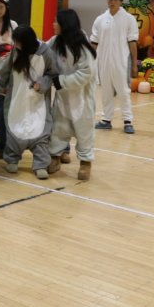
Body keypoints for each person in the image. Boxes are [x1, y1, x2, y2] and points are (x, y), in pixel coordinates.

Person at [0, 25, 55, 180]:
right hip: (17, 99)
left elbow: (52, 74)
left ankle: (41, 164)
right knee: (14, 129)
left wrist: (41, 84)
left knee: (40, 131)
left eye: (18, 42)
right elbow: (3, 74)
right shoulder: (15, 52)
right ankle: (12, 158)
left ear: (27, 42)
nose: (15, 45)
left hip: (38, 102)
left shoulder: (46, 53)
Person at [47, 9, 97, 180]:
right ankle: (55, 157)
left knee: (84, 132)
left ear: (65, 24)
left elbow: (86, 73)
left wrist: (62, 81)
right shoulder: (55, 42)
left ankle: (85, 162)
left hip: (81, 98)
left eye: (56, 22)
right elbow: (42, 50)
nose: (53, 24)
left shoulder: (81, 47)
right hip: (63, 98)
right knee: (58, 128)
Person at [90, 0, 139, 134]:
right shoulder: (100, 19)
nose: (112, 2)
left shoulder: (129, 19)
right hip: (103, 61)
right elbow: (94, 42)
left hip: (121, 61)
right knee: (106, 91)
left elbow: (132, 42)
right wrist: (89, 60)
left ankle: (127, 121)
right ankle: (106, 120)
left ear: (121, 1)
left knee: (123, 91)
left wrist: (134, 64)